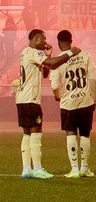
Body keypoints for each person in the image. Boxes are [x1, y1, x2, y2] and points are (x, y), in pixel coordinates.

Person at [16, 29, 80, 179]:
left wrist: (48, 55)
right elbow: (53, 63)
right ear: (35, 38)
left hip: (22, 98)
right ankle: (37, 168)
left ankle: (26, 169)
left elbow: (45, 72)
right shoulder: (34, 52)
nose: (45, 42)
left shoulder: (25, 52)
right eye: (43, 39)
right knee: (36, 132)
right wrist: (70, 53)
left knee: (27, 133)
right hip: (30, 99)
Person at [50, 30, 96, 178]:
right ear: (71, 40)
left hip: (68, 103)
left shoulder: (57, 61)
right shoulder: (85, 55)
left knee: (70, 133)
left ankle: (74, 169)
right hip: (85, 101)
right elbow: (92, 79)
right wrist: (94, 98)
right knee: (85, 134)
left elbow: (54, 85)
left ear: (59, 43)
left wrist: (57, 96)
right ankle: (84, 168)